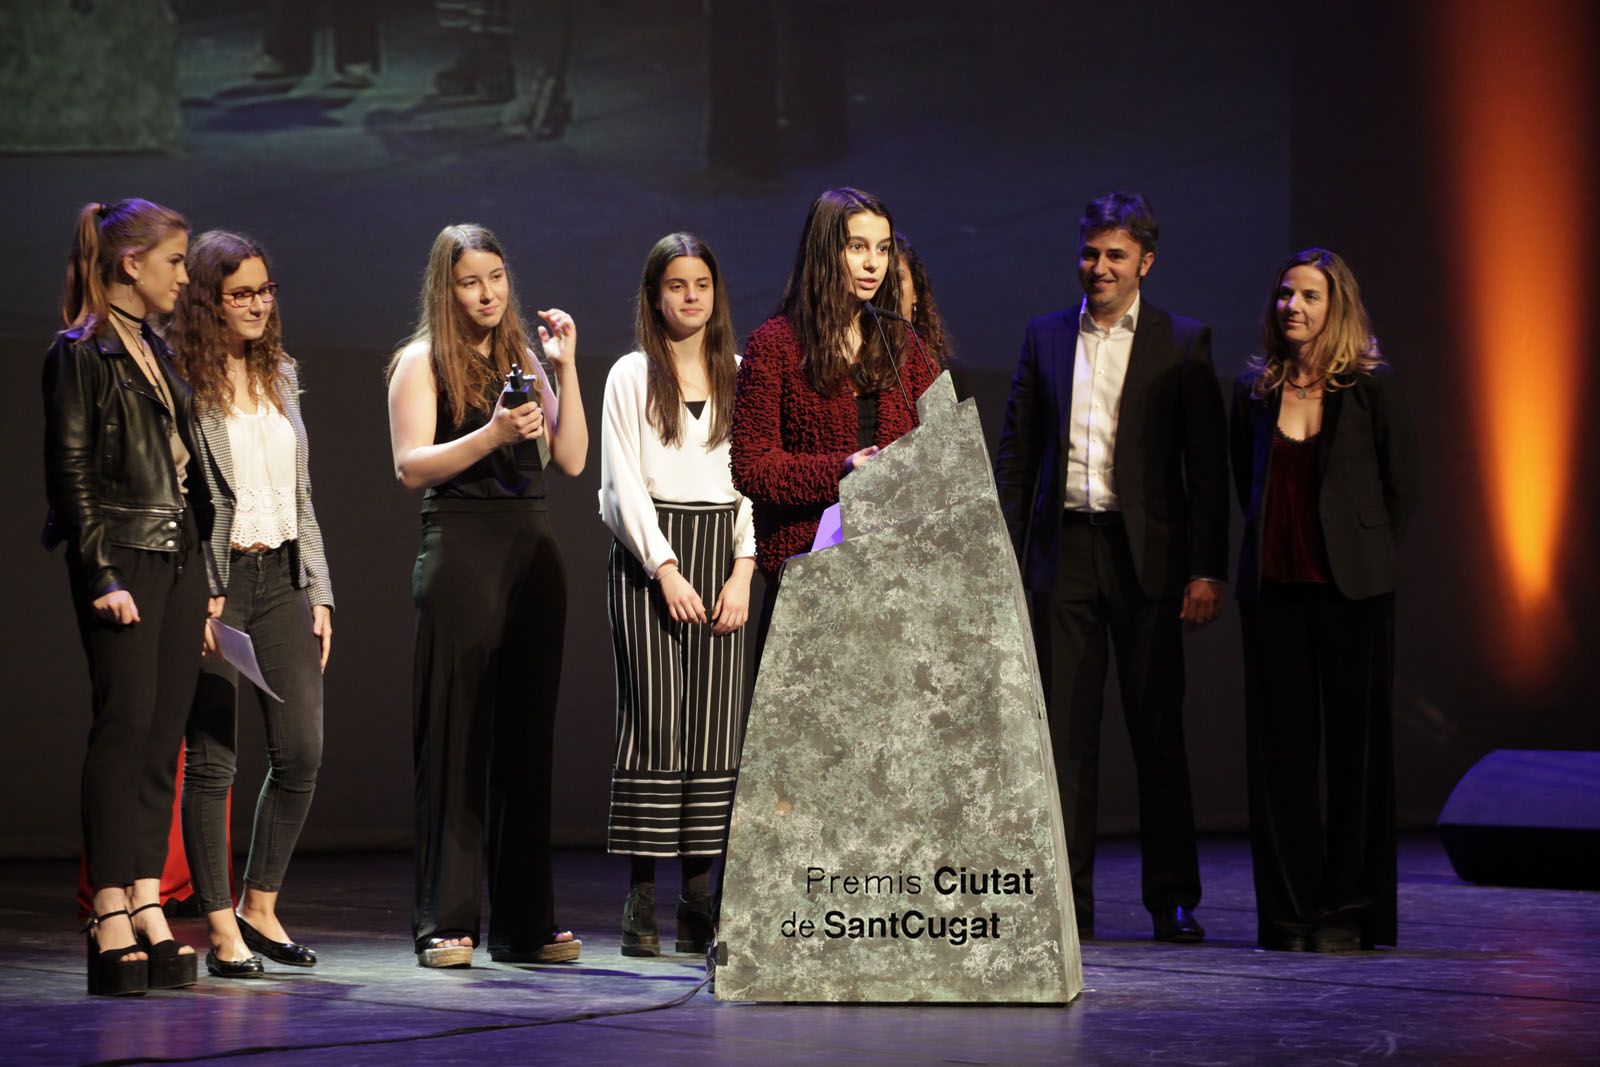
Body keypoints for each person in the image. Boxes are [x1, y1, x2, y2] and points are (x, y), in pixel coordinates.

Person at [993, 191, 1229, 943]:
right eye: (1091, 253)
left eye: (1115, 256)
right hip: (1066, 552)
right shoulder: (1045, 335)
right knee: (1065, 737)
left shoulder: (1183, 340)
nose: (1099, 267)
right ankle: (1067, 903)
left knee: (1158, 733)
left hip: (1149, 562)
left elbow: (1207, 470)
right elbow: (1018, 455)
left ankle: (1173, 898)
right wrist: (1000, 550)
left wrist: (1205, 569)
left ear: (1145, 263)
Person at [387, 223, 588, 967]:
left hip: (529, 551)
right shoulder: (421, 360)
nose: (488, 293)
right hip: (462, 549)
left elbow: (569, 459)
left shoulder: (523, 359)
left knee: (526, 742)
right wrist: (494, 434)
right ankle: (445, 920)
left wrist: (563, 370)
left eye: (497, 277)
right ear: (448, 286)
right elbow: (412, 465)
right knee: (455, 739)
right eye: (472, 281)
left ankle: (525, 922)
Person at [43, 199, 222, 995]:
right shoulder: (80, 353)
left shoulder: (155, 350)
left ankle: (148, 896)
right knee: (122, 730)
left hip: (179, 557)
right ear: (130, 264)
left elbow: (183, 465)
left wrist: (207, 572)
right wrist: (100, 575)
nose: (185, 276)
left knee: (162, 738)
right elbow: (72, 475)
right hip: (125, 557)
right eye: (176, 261)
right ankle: (107, 907)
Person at [1230, 248, 1418, 953]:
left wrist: (1364, 556)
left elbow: (1403, 488)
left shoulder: (1370, 389)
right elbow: (1242, 479)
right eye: (1285, 295)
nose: (1294, 308)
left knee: (1355, 757)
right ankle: (1288, 913)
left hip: (1353, 597)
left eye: (1309, 296)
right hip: (1275, 596)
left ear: (1336, 306)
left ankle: (1351, 911)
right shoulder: (1255, 390)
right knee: (1281, 759)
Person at [168, 231, 335, 979]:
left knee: (300, 749)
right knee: (214, 761)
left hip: (285, 579)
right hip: (218, 585)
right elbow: (185, 499)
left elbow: (300, 494)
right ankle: (216, 926)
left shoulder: (283, 372)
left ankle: (258, 906)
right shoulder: (184, 382)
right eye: (242, 293)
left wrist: (321, 589)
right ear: (208, 299)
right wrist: (200, 592)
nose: (260, 305)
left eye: (266, 290)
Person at [599, 233, 755, 957]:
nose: (690, 296)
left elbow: (751, 480)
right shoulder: (632, 375)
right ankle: (641, 901)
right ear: (654, 295)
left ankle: (700, 898)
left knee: (717, 728)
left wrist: (744, 569)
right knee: (657, 724)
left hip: (722, 554)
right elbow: (620, 484)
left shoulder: (740, 373)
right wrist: (663, 566)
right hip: (650, 557)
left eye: (701, 283)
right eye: (676, 285)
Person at [730, 187, 937, 654]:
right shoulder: (776, 345)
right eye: (857, 247)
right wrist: (841, 471)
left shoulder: (900, 342)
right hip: (809, 575)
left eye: (882, 249)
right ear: (826, 250)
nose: (873, 264)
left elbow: (940, 444)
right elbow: (751, 465)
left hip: (892, 576)